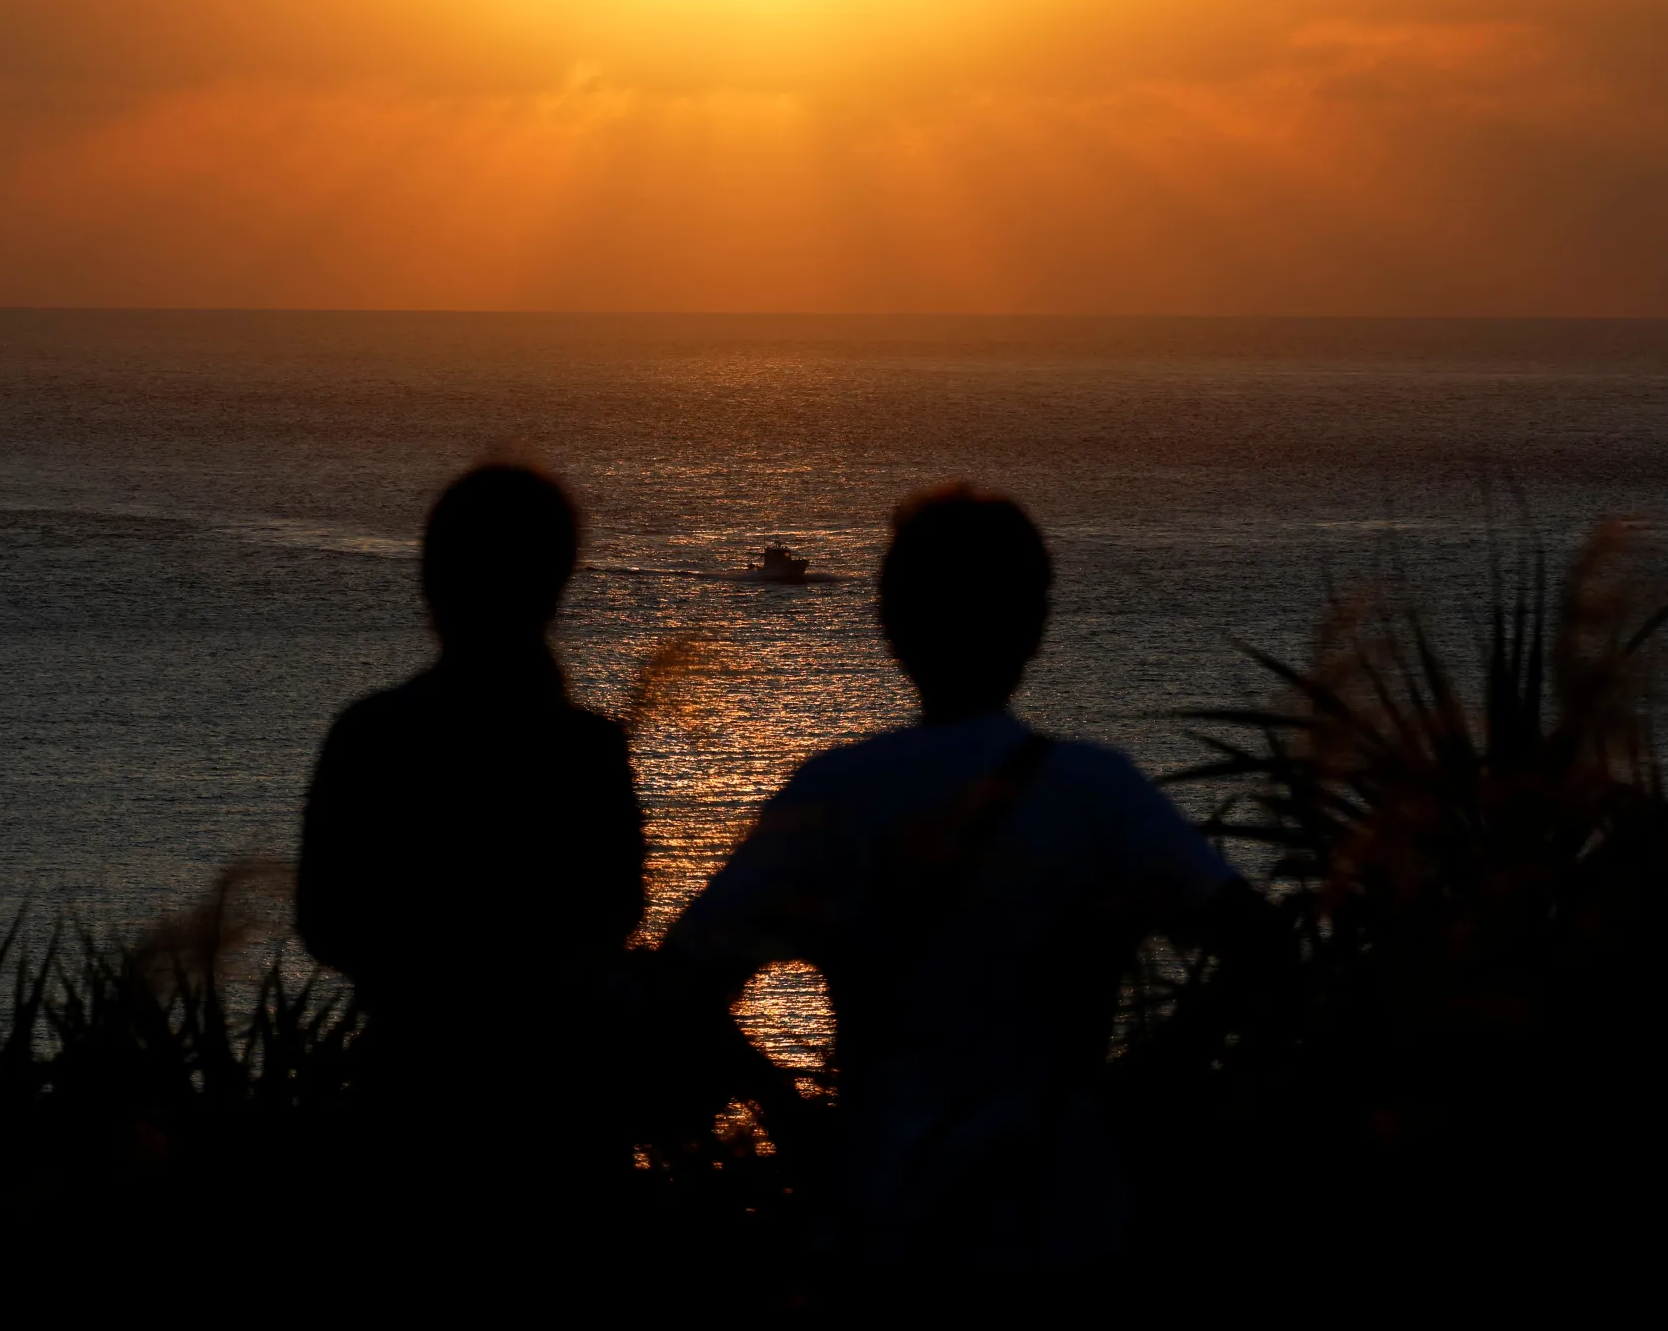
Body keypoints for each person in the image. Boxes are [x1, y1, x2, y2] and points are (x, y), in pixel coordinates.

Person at [665, 484, 1280, 1272]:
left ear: (890, 625)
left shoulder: (833, 793)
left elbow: (682, 984)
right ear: (1035, 627)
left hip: (883, 1232)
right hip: (1064, 1230)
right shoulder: (1102, 793)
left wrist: (785, 1109)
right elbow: (1264, 948)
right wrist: (1147, 1082)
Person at [296, 463, 645, 1203]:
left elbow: (323, 922)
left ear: (432, 584)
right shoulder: (586, 751)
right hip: (557, 1117)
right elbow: (616, 916)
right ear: (554, 587)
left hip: (409, 1099)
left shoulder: (371, 735)